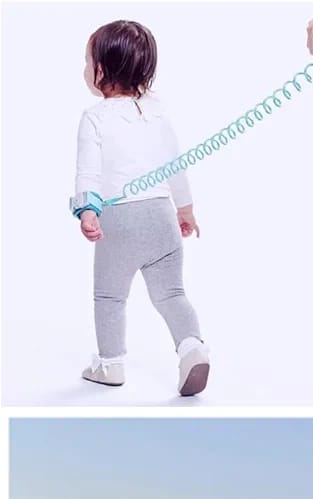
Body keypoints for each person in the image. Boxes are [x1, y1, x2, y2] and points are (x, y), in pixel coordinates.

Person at [72, 20, 210, 397]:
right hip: (162, 216)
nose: (85, 69)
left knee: (110, 296)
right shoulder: (158, 112)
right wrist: (185, 210)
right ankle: (192, 346)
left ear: (101, 70)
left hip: (119, 220)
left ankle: (110, 363)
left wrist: (87, 210)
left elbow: (88, 170)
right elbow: (175, 164)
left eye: (87, 62)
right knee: (172, 294)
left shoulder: (95, 117)